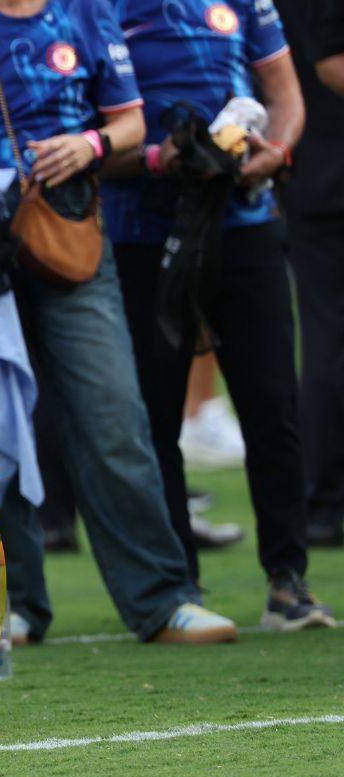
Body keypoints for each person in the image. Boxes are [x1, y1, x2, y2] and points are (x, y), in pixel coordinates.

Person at [0, 0, 237, 644]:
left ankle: (162, 600)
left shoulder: (86, 12)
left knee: (114, 417)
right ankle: (8, 601)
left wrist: (91, 142)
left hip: (71, 237)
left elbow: (130, 122)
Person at [103, 0, 335, 631]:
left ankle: (288, 580)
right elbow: (98, 132)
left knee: (272, 405)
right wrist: (160, 157)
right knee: (155, 416)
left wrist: (275, 152)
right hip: (142, 230)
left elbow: (285, 96)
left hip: (243, 221)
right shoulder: (98, 8)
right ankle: (180, 586)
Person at [277, 0, 344, 548]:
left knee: (325, 340)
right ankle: (323, 502)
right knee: (327, 343)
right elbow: (330, 61)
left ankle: (322, 501)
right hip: (326, 175)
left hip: (311, 171)